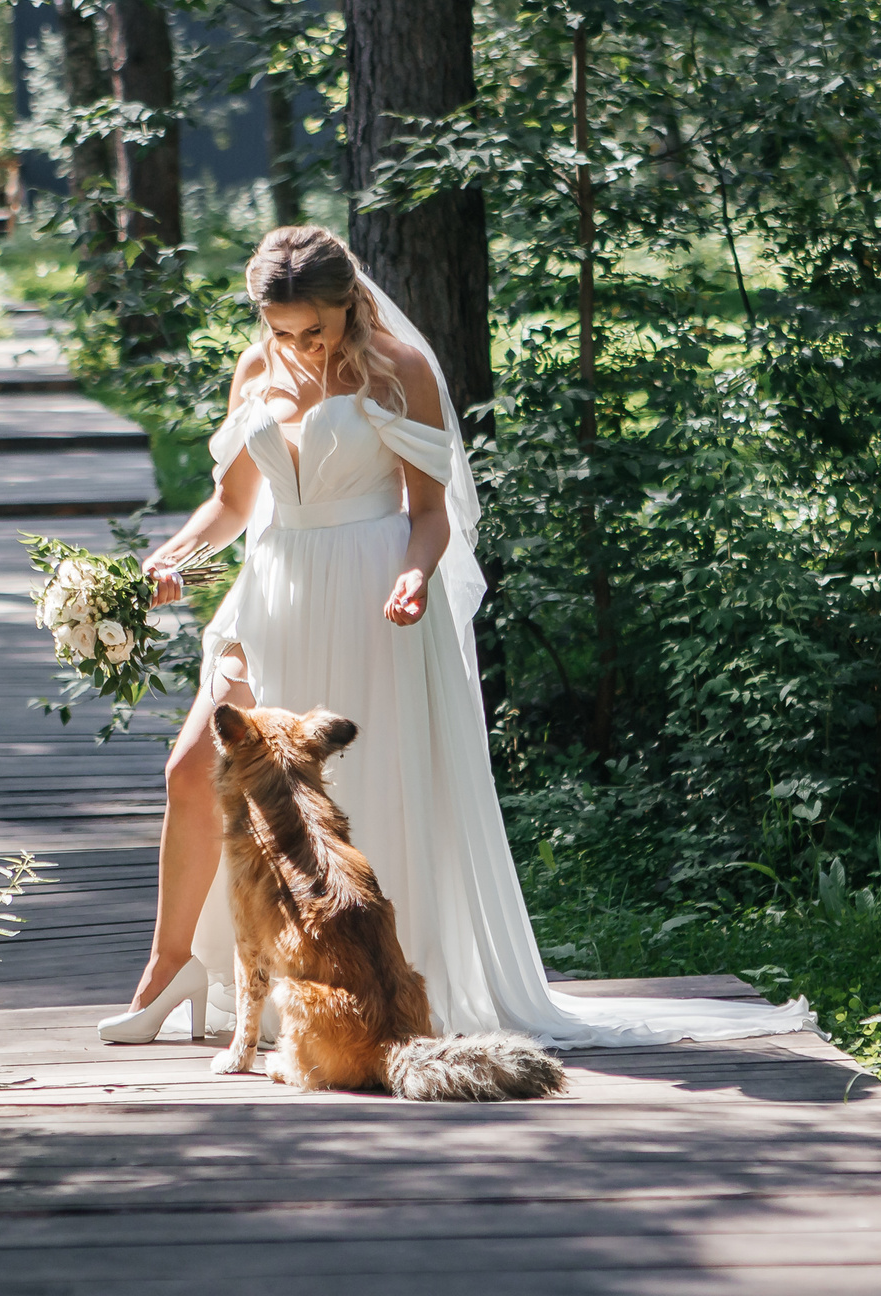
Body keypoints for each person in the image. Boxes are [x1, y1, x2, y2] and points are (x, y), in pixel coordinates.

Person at [95, 225, 815, 1050]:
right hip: (271, 589)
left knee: (365, 798)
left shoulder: (398, 371)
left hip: (372, 589)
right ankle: (170, 966)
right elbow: (232, 501)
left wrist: (413, 573)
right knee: (192, 769)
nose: (296, 345)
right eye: (281, 328)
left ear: (349, 302)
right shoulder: (257, 365)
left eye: (313, 328)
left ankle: (370, 977)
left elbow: (431, 512)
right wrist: (176, 554)